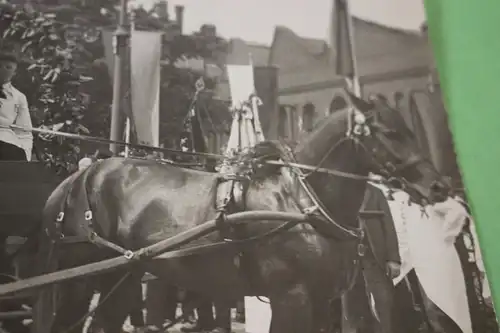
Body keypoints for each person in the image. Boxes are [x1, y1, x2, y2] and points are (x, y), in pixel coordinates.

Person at [341, 182, 401, 333]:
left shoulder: (375, 192)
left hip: (374, 258)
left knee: (383, 302)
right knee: (351, 306)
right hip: (348, 260)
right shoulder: (338, 189)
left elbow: (388, 225)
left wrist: (393, 258)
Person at [0, 51, 33, 162]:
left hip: (5, 142)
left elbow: (25, 130)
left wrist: (26, 154)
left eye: (8, 67)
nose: (2, 70)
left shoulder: (19, 97)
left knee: (14, 153)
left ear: (15, 72)